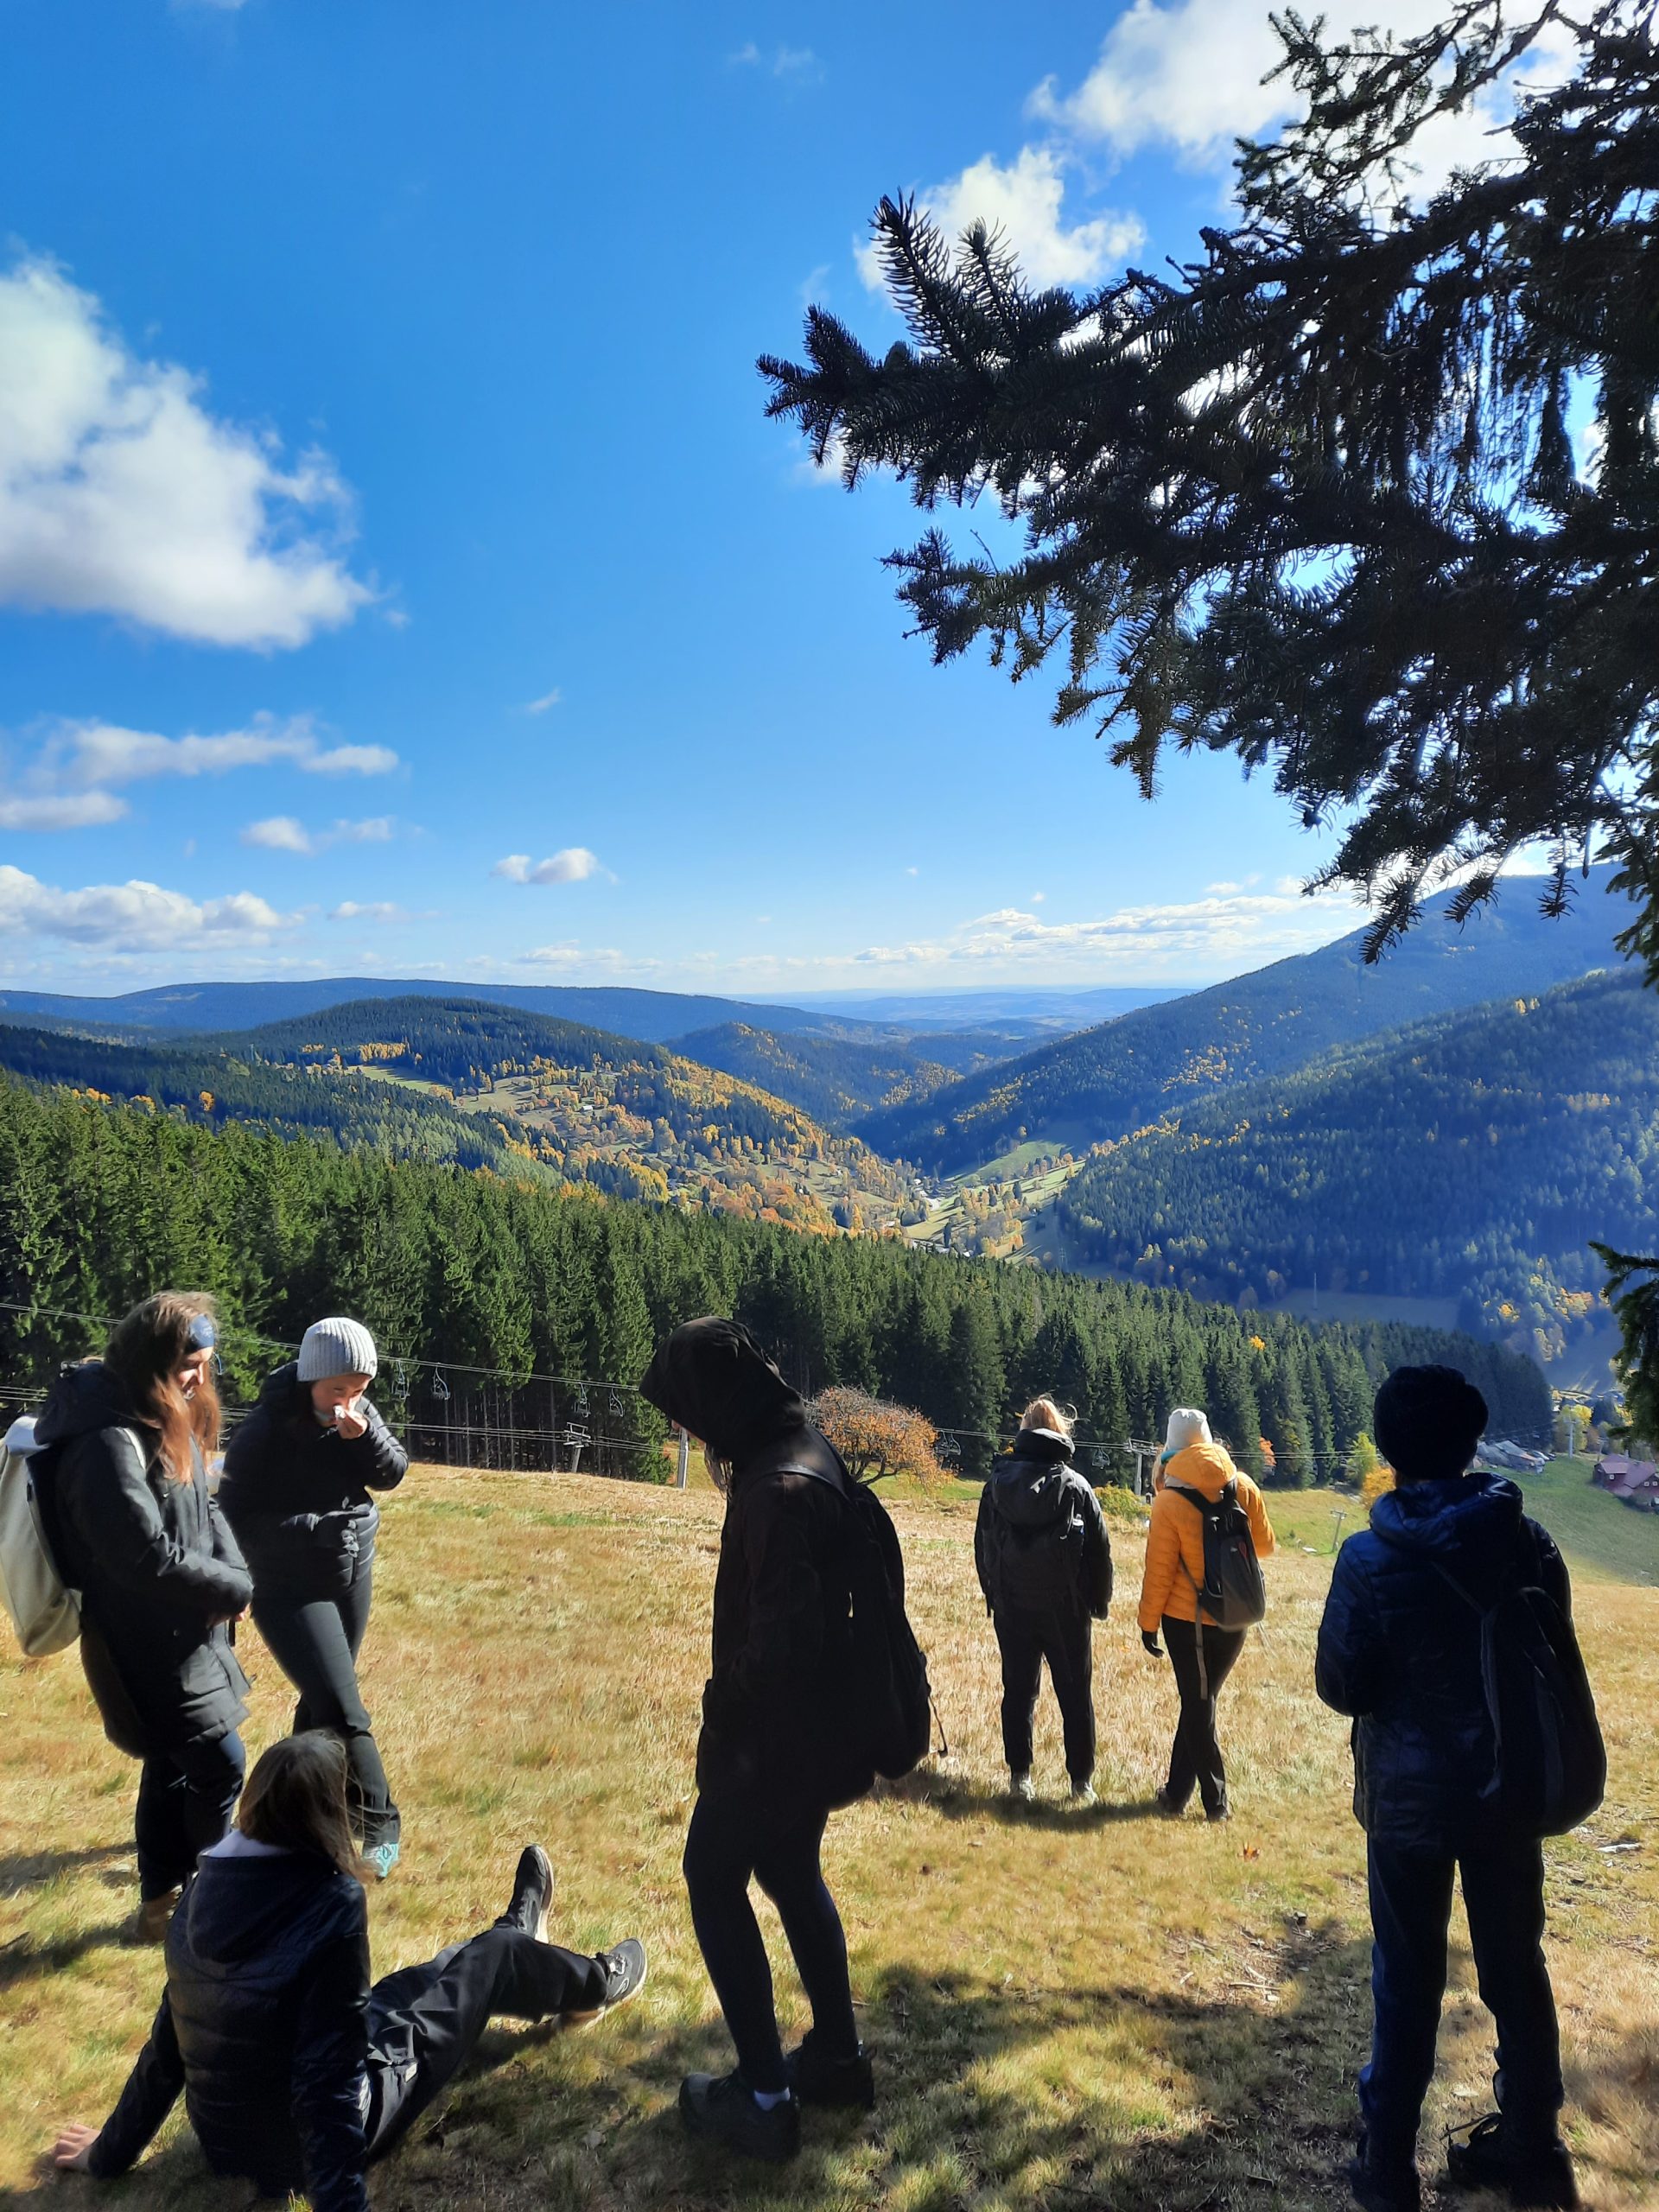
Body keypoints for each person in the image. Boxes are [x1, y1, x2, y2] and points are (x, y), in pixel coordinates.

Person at [50, 1732, 647, 2210]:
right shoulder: (331, 1906)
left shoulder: (199, 1896)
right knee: (488, 1966)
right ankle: (593, 1982)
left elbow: (168, 2044)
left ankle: (513, 1937)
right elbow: (327, 2089)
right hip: (316, 2144)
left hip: (228, 2146)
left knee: (414, 1984)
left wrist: (109, 2152)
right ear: (322, 1821)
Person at [1317, 1365, 1581, 2212]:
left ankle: (1388, 2167)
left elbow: (1341, 1685)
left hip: (1406, 1804)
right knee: (1516, 1968)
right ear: (1471, 1443)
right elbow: (1547, 1654)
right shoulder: (1528, 1542)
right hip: (1508, 1792)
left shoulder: (1367, 1559)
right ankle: (1536, 2152)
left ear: (1390, 1448)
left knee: (1405, 1978)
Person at [639, 1317, 874, 2163]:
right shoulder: (801, 1449)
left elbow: (782, 1647)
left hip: (770, 1740)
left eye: (686, 1412)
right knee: (788, 1870)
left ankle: (765, 2098)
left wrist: (722, 1699)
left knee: (712, 1877)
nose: (684, 1429)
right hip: (813, 1732)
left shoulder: (776, 1489)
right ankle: (838, 2059)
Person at [33, 1293, 252, 1942]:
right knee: (220, 1764)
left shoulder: (154, 1416)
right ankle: (205, 1907)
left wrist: (235, 1577)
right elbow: (142, 1556)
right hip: (142, 1647)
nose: (200, 1381)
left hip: (184, 1632)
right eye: (189, 1366)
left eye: (207, 1366)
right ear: (152, 1363)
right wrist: (228, 1587)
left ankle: (160, 1905)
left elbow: (205, 1506)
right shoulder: (104, 1441)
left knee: (172, 1765)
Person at [219, 1318, 408, 1878]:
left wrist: (364, 1437)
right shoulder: (265, 1430)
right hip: (286, 1587)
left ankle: (278, 1818)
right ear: (309, 1379)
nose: (348, 1400)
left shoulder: (360, 1415)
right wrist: (311, 1530)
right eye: (337, 1390)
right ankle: (382, 1828)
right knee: (344, 1710)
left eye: (359, 1389)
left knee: (322, 1706)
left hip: (350, 1575)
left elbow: (392, 1473)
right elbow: (232, 1518)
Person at [1137, 1406, 1275, 1821]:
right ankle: (1175, 1795)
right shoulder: (1243, 1485)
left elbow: (1159, 1573)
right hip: (1237, 1614)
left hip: (1187, 1621)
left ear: (1171, 1448)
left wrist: (1147, 1625)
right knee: (1200, 1703)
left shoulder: (1169, 1501)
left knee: (1198, 1708)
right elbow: (1265, 1546)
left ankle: (1216, 1803)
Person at [974, 1395, 1113, 1805]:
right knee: (1075, 1695)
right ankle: (1081, 1784)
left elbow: (983, 1544)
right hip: (1066, 1609)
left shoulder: (996, 1484)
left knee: (1018, 1691)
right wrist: (1097, 1603)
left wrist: (993, 1593)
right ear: (1060, 1432)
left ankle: (1020, 1778)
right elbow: (1100, 1553)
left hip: (1012, 1606)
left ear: (1023, 1431)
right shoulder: (1077, 1487)